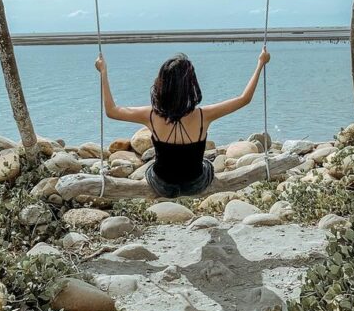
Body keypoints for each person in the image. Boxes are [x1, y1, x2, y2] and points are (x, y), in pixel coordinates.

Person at [94, 48, 271, 198]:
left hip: (162, 185)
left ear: (162, 85)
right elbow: (244, 99)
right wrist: (260, 63)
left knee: (150, 166)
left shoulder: (150, 115)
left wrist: (103, 72)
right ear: (190, 85)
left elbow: (112, 111)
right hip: (196, 184)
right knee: (207, 164)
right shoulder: (204, 115)